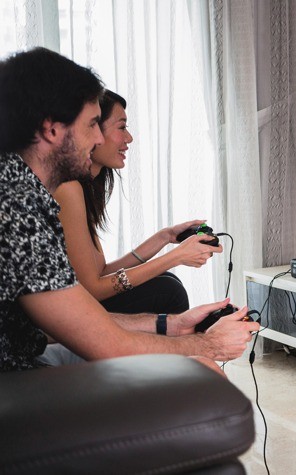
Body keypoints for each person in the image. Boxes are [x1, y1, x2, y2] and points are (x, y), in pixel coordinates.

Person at [0, 47, 259, 372]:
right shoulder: (17, 208)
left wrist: (171, 325)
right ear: (51, 129)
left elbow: (62, 320)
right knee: (205, 368)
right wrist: (209, 343)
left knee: (197, 357)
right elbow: (107, 342)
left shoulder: (22, 190)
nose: (99, 138)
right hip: (16, 379)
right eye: (92, 125)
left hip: (29, 354)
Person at [53, 90, 218, 315]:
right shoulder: (68, 188)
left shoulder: (84, 188)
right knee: (168, 290)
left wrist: (165, 237)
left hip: (82, 300)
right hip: (69, 311)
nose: (129, 138)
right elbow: (93, 288)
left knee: (167, 282)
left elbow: (101, 272)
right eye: (122, 127)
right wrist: (175, 257)